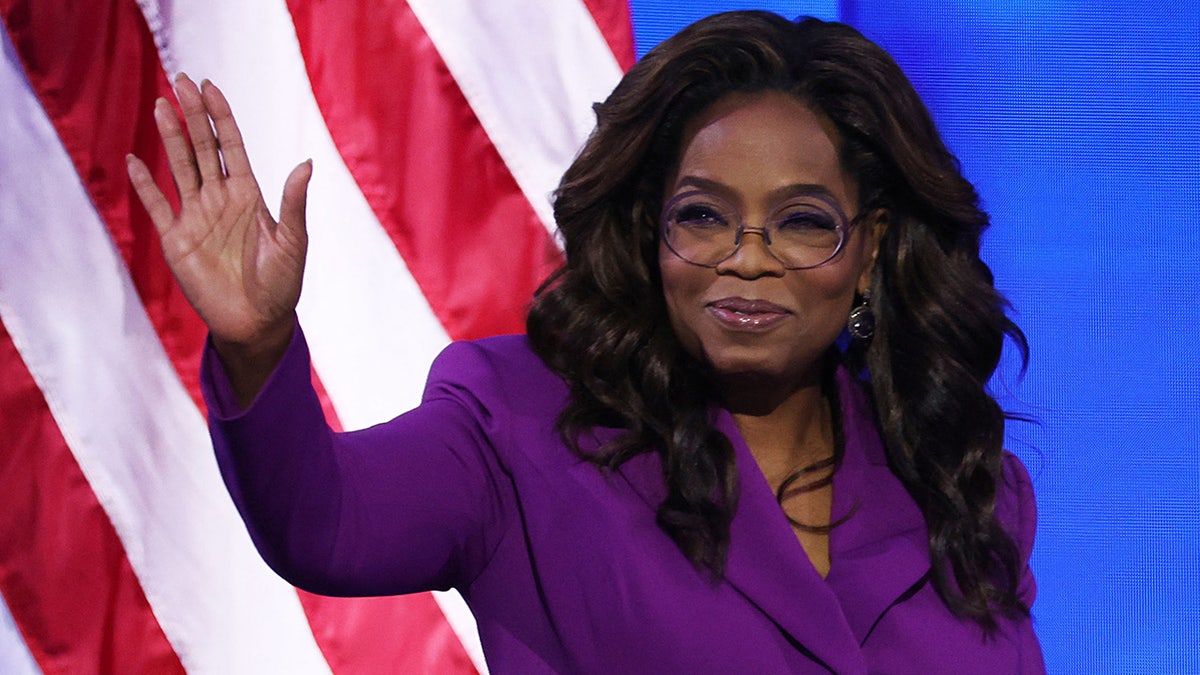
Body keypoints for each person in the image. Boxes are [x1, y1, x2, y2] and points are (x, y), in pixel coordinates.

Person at [126, 10, 1044, 674]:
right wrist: (256, 343)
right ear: (651, 233)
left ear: (871, 247)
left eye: (802, 222)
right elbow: (322, 523)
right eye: (702, 215)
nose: (746, 258)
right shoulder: (518, 425)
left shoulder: (961, 478)